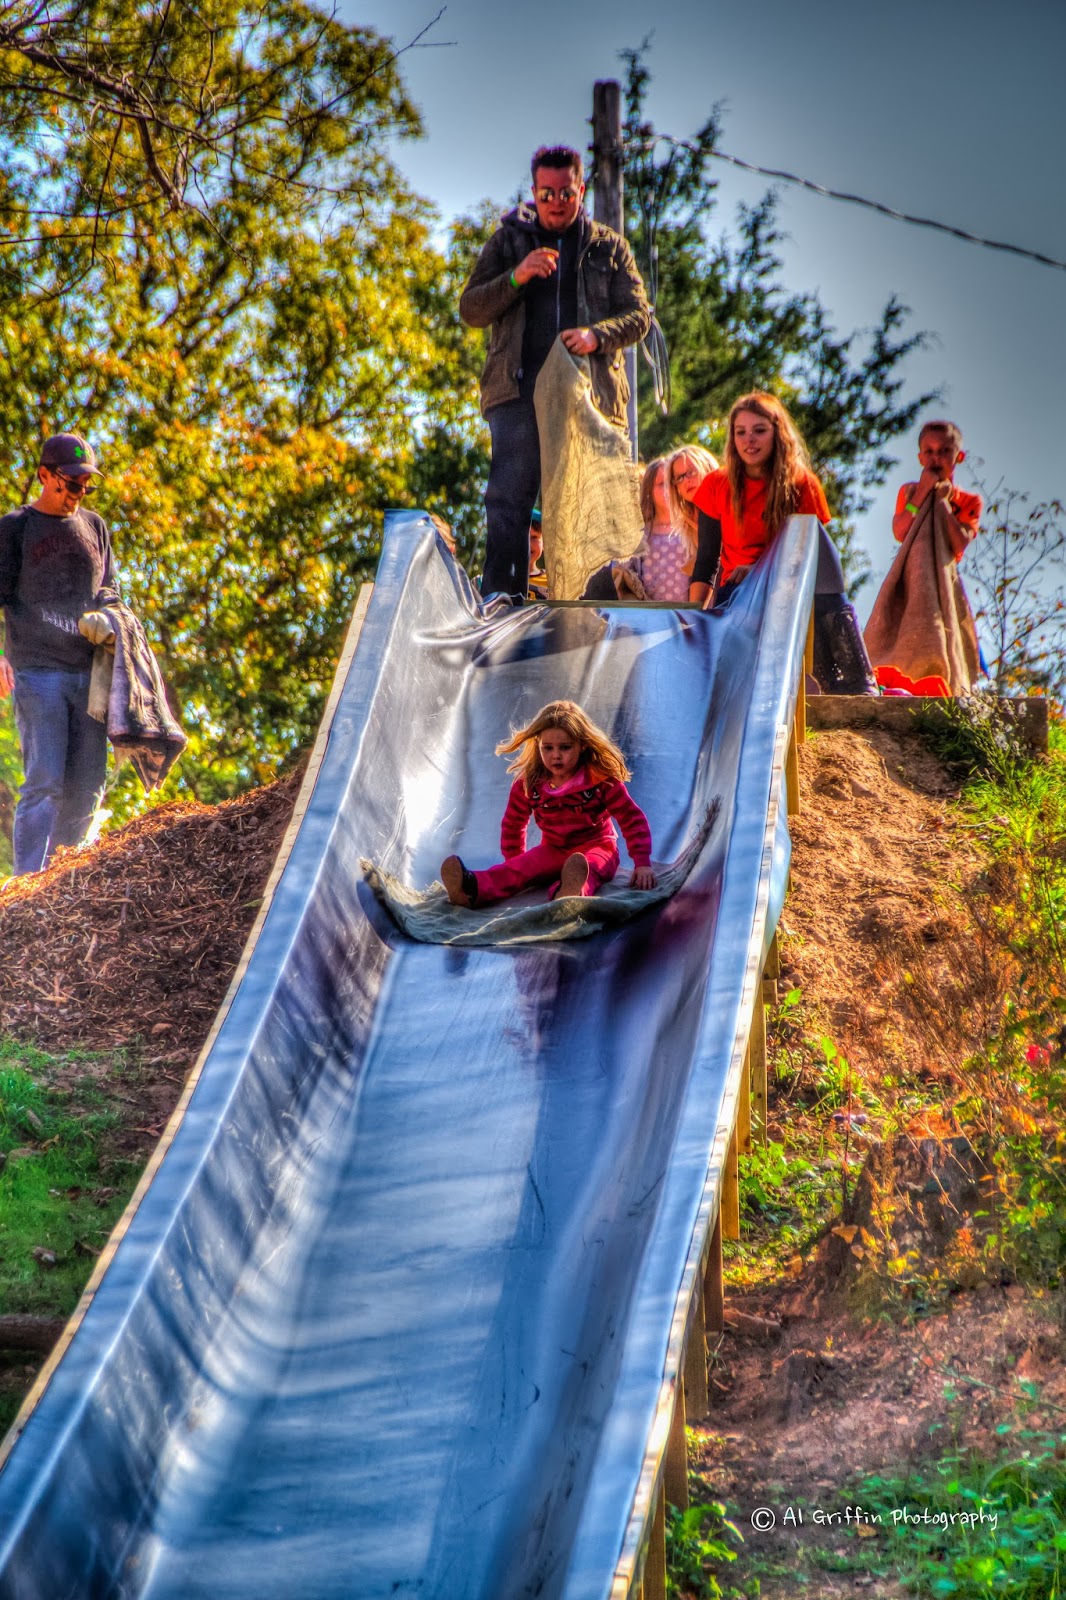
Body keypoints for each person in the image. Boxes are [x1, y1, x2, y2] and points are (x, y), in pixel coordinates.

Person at [459, 145, 651, 603]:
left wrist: (596, 336)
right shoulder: (508, 240)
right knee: (508, 499)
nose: (556, 201)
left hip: (588, 399)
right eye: (547, 193)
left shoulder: (608, 246)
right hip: (517, 390)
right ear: (534, 192)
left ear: (580, 190)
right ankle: (502, 598)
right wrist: (516, 277)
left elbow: (640, 315)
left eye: (566, 192)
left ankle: (592, 601)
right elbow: (471, 309)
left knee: (586, 502)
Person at [687, 393, 876, 693]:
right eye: (741, 432)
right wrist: (692, 618)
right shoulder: (716, 484)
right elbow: (707, 561)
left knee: (820, 552)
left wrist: (761, 570)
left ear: (777, 433)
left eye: (759, 430)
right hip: (739, 594)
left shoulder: (802, 484)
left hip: (790, 588)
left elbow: (813, 555)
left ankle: (852, 682)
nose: (749, 440)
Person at [0, 432, 120, 875]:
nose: (78, 493)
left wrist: (111, 619)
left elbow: (110, 587)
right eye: (70, 483)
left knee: (88, 787)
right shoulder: (14, 528)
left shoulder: (95, 527)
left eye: (86, 484)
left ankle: (66, 880)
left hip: (90, 675)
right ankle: (27, 882)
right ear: (44, 475)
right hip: (37, 671)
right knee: (45, 781)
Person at [441, 699, 656, 907]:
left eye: (565, 747)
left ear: (582, 745)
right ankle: (470, 889)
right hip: (553, 849)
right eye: (548, 748)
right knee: (519, 869)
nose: (556, 756)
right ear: (538, 746)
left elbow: (631, 818)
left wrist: (642, 863)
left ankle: (569, 893)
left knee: (590, 867)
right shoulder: (530, 783)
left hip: (599, 847)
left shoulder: (600, 779)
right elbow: (513, 823)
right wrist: (515, 860)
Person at [891, 419, 981, 560]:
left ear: (959, 456)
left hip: (944, 571)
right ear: (920, 458)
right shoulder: (910, 491)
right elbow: (900, 532)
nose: (936, 457)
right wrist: (922, 491)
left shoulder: (969, 501)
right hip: (915, 567)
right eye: (929, 451)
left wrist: (941, 501)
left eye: (945, 450)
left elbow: (959, 545)